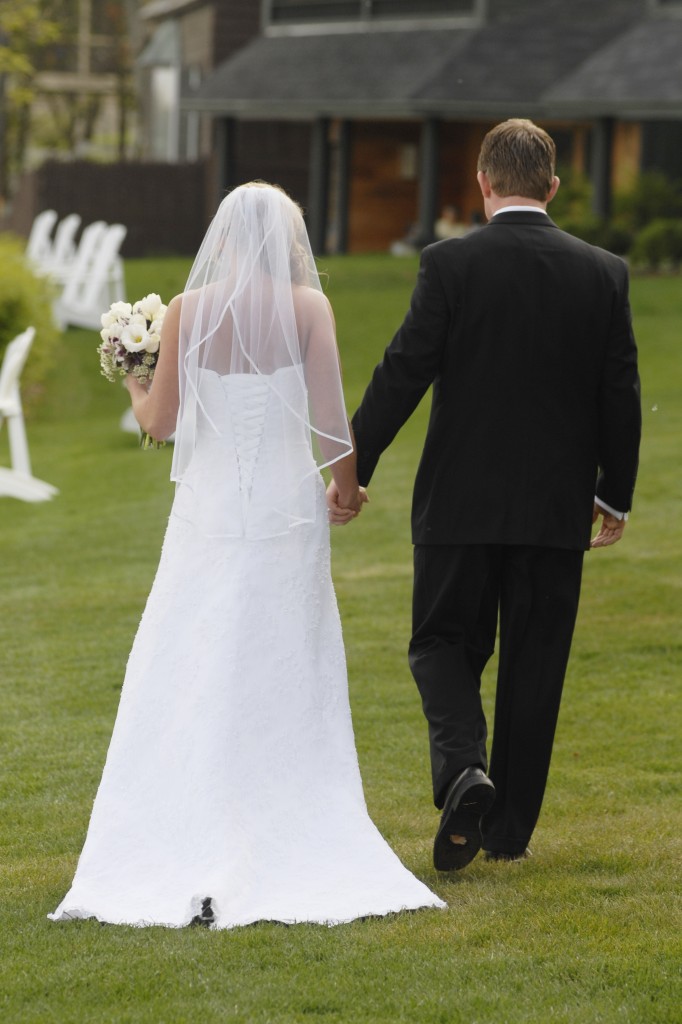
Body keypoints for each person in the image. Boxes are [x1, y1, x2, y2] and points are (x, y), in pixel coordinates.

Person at [49, 182, 444, 928]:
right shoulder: (308, 309)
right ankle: (284, 812)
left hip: (207, 514)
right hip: (285, 512)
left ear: (224, 241)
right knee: (284, 658)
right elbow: (331, 424)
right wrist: (347, 490)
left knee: (191, 655)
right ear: (289, 240)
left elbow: (161, 424)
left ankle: (181, 822)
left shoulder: (188, 312)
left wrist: (136, 380)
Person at [328, 120, 641, 871]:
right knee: (536, 662)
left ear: (482, 182)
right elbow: (620, 394)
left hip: (457, 506)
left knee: (441, 642)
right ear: (554, 186)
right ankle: (507, 836)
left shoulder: (450, 264)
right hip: (551, 510)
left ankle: (464, 767)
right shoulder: (603, 272)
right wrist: (614, 494)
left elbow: (402, 371)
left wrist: (353, 466)